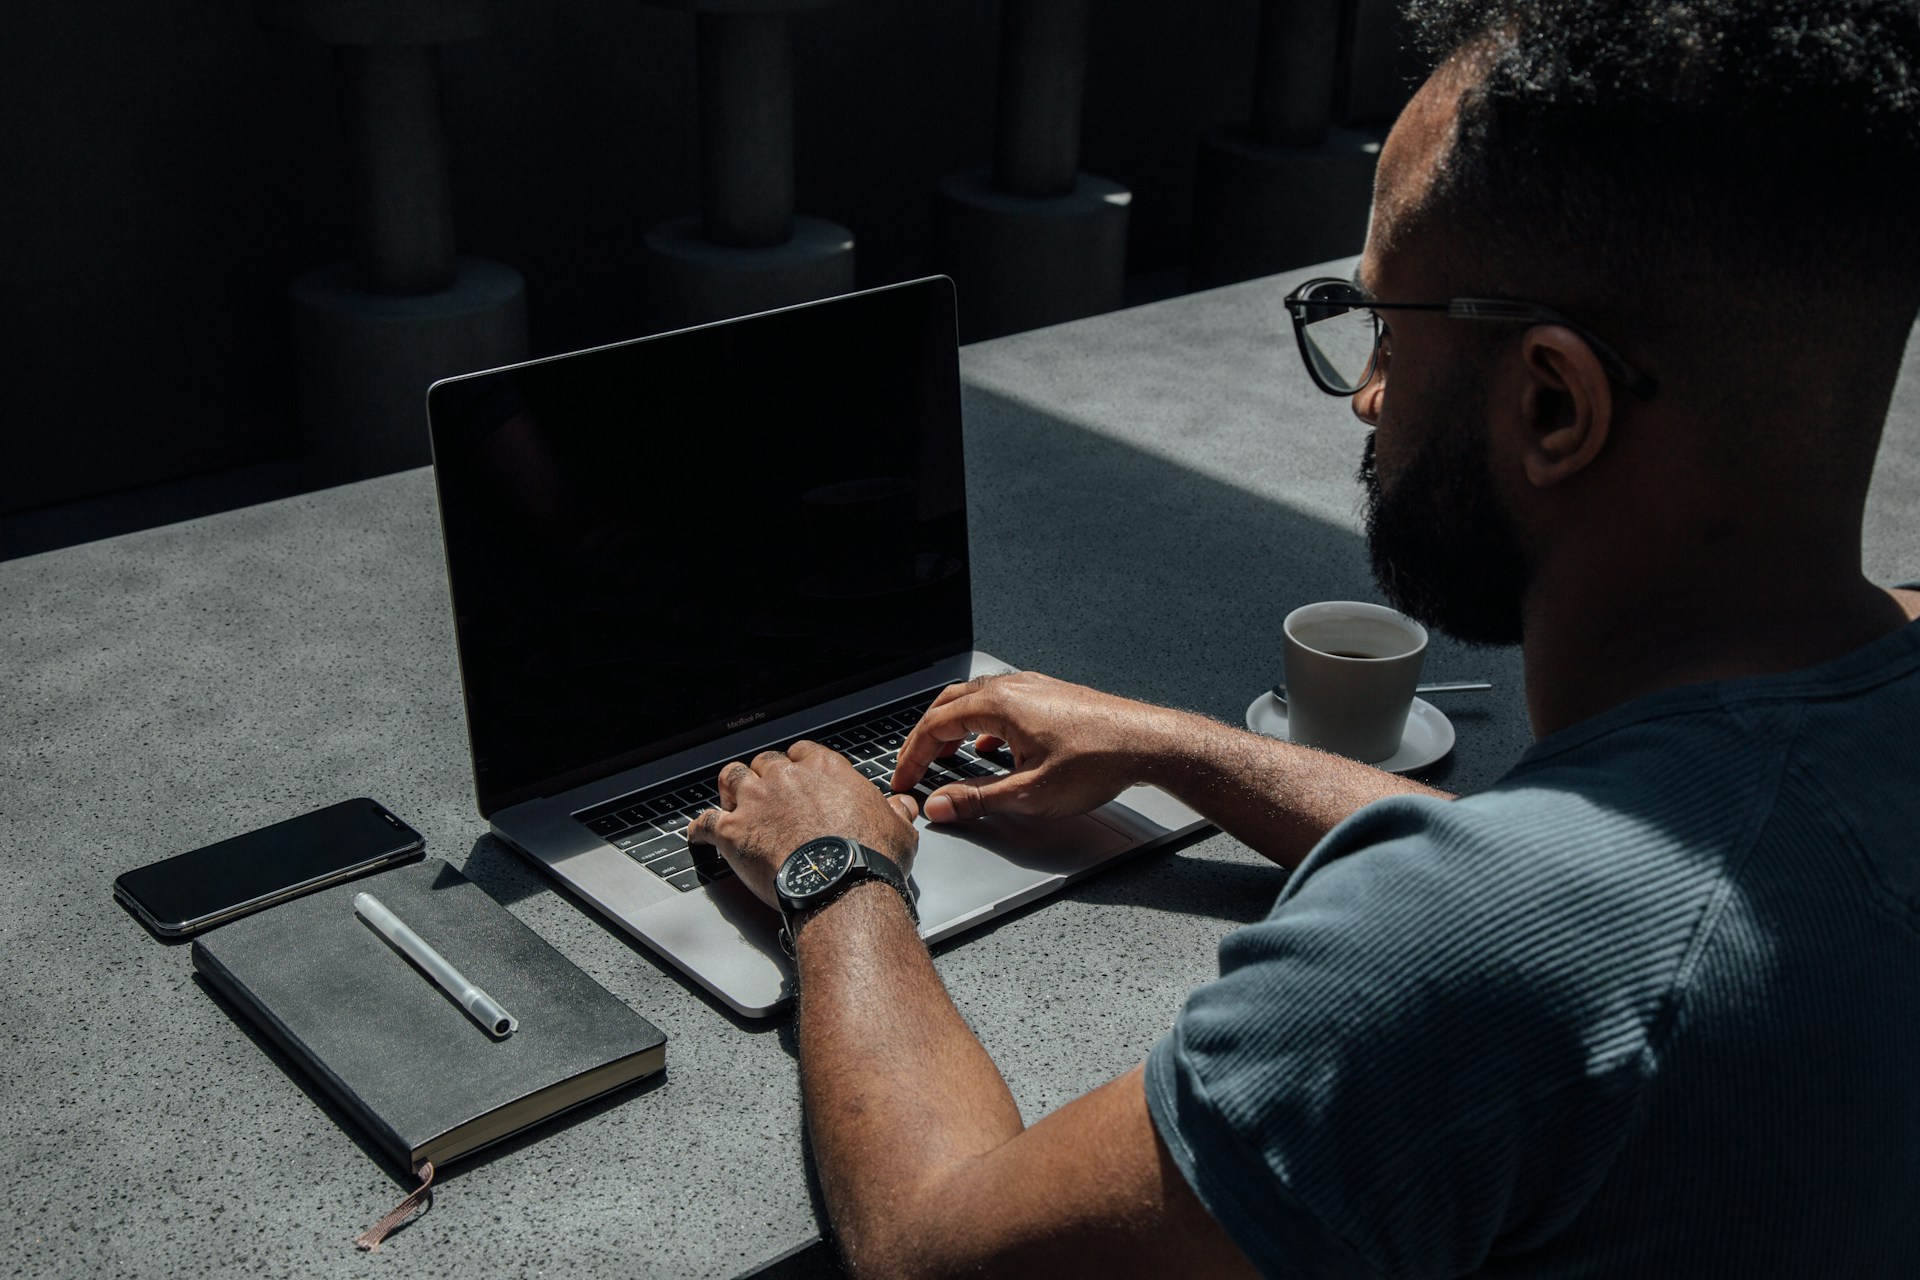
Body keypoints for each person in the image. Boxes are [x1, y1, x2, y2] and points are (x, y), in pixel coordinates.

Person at [687, 1, 1920, 1274]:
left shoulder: (1462, 963)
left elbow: (934, 1248)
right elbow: (1588, 870)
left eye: (1389, 323)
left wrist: (834, 872)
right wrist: (1178, 747)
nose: (1371, 396)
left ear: (1554, 403)